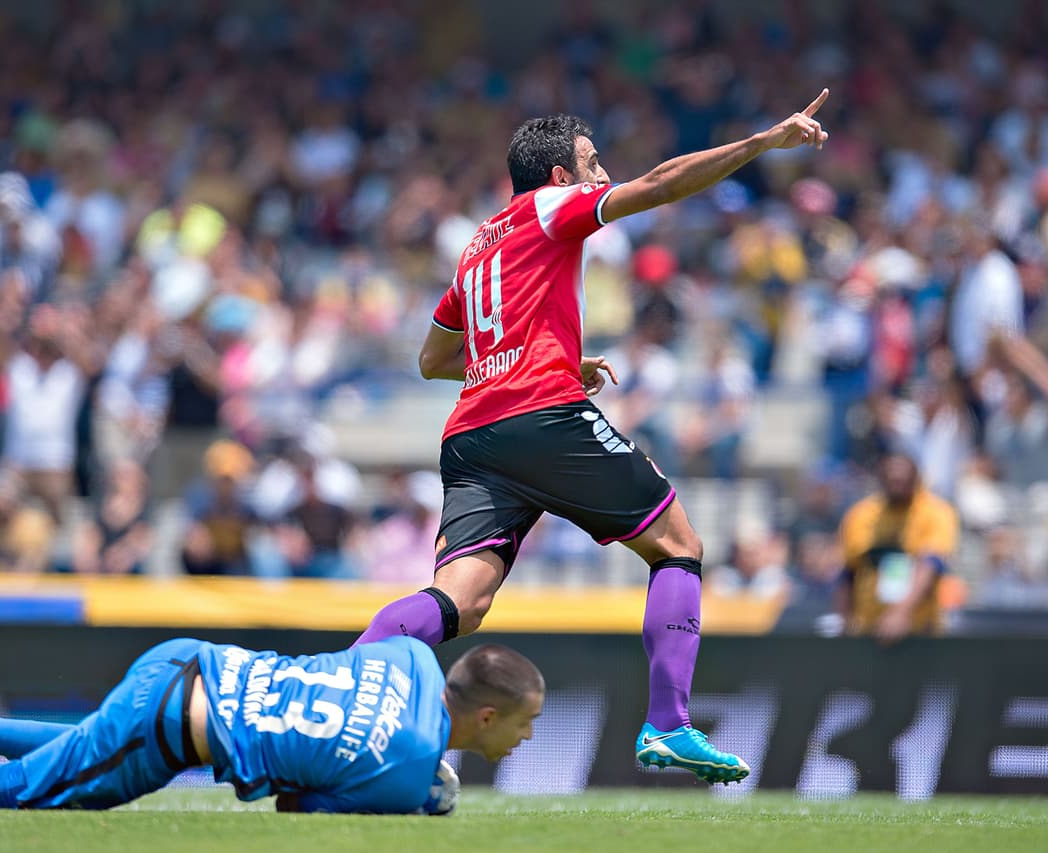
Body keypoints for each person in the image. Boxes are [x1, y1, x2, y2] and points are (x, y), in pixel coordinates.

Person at [353, 90, 832, 785]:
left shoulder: (478, 245)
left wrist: (537, 351)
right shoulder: (553, 209)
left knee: (461, 599)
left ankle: (343, 693)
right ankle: (669, 724)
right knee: (678, 545)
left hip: (470, 437)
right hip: (539, 415)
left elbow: (434, 360)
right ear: (558, 178)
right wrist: (761, 143)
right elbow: (661, 184)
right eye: (591, 163)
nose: (602, 175)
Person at [0, 638, 542, 814]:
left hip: (190, 659)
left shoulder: (410, 652)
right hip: (173, 726)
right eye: (525, 722)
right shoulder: (409, 773)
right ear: (483, 715)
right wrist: (419, 799)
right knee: (14, 793)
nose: (528, 737)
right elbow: (294, 805)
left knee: (85, 750)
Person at [836, 452, 959, 643]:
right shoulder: (862, 515)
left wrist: (900, 613)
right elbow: (848, 573)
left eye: (903, 479)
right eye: (891, 479)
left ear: (916, 478)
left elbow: (930, 565)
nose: (897, 483)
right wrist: (844, 622)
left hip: (919, 631)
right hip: (868, 629)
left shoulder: (936, 512)